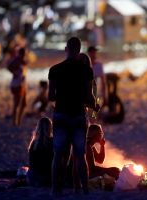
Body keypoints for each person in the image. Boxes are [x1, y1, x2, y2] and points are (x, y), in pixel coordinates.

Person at [48, 37, 99, 196]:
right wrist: (94, 106)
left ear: (66, 49)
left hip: (61, 114)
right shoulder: (86, 70)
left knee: (58, 155)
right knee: (80, 155)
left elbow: (50, 96)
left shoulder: (54, 69)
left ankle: (56, 190)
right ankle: (84, 190)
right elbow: (88, 96)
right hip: (78, 115)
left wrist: (63, 95)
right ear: (79, 49)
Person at [27, 117, 53, 186]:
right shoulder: (52, 142)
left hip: (34, 177)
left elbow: (31, 163)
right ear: (50, 128)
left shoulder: (34, 143)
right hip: (48, 177)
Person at [7, 47, 28, 126]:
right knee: (17, 104)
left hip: (22, 84)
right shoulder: (17, 60)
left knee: (23, 104)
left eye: (24, 53)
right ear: (20, 53)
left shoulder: (23, 61)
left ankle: (18, 121)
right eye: (22, 53)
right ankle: (14, 122)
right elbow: (9, 67)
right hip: (16, 84)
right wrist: (15, 73)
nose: (23, 54)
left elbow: (24, 73)